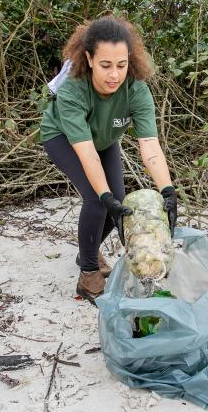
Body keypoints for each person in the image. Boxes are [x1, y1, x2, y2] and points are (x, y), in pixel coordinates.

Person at [40, 15, 177, 303]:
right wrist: (103, 194)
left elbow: (150, 145)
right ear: (89, 59)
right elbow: (85, 150)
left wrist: (168, 191)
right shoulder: (72, 90)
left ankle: (86, 250)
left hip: (103, 139)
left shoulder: (136, 91)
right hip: (63, 138)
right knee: (96, 198)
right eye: (105, 65)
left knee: (119, 201)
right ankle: (88, 273)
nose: (114, 74)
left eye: (121, 65)